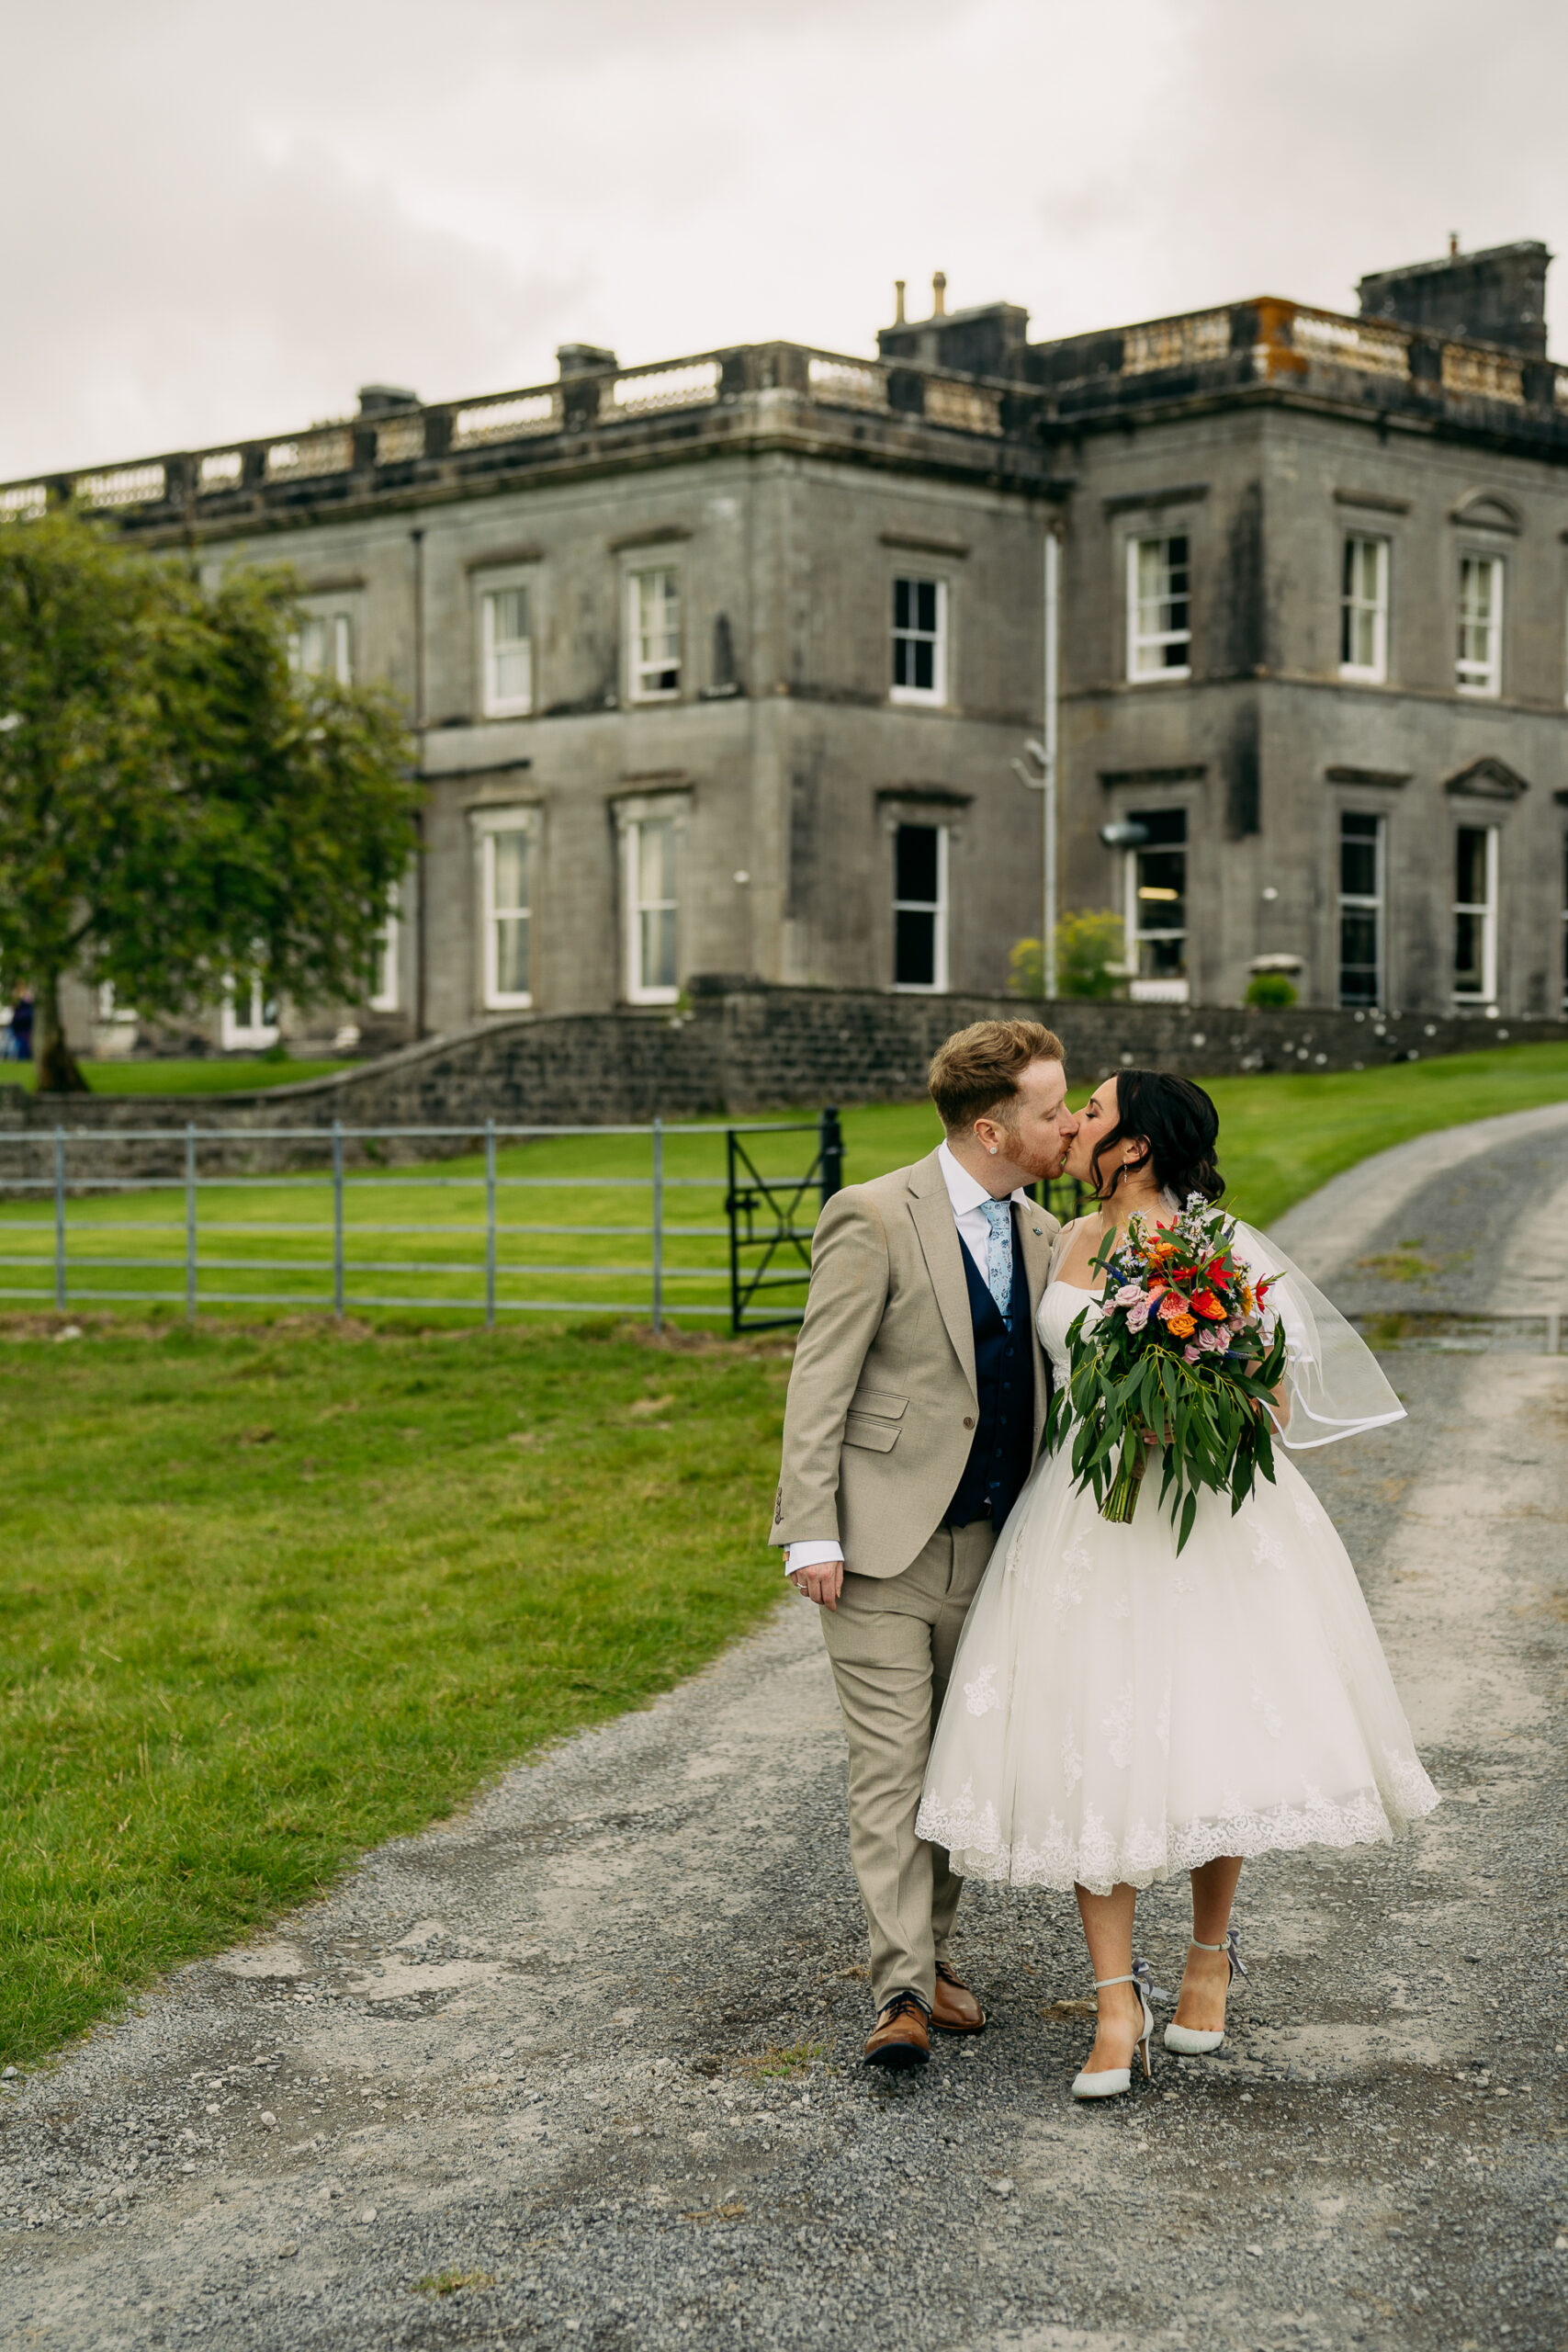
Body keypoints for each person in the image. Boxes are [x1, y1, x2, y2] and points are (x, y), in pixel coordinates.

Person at [918, 1069, 1439, 2098]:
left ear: (1138, 1145)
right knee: (1088, 1744)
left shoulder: (1215, 1248)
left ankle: (1209, 1957)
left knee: (1211, 1735)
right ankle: (1116, 2003)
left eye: (1094, 1111)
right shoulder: (1061, 1240)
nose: (1073, 1123)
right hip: (1082, 1514)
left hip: (1200, 1516)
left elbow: (1276, 1401)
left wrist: (1186, 1404)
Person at [772, 1020, 1079, 2069]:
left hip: (998, 1546)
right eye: (1052, 1110)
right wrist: (809, 1528)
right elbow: (822, 1378)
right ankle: (900, 1988)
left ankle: (931, 1956)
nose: (1070, 1122)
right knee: (892, 1768)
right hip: (878, 1548)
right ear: (993, 1128)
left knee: (957, 1767)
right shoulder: (872, 1215)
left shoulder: (1047, 1234)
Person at [8, 987, 33, 1062]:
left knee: (25, 1041)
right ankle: (23, 1057)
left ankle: (25, 1057)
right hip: (20, 1022)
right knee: (22, 1041)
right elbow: (13, 1006)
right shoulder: (17, 994)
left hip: (25, 1021)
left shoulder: (27, 994)